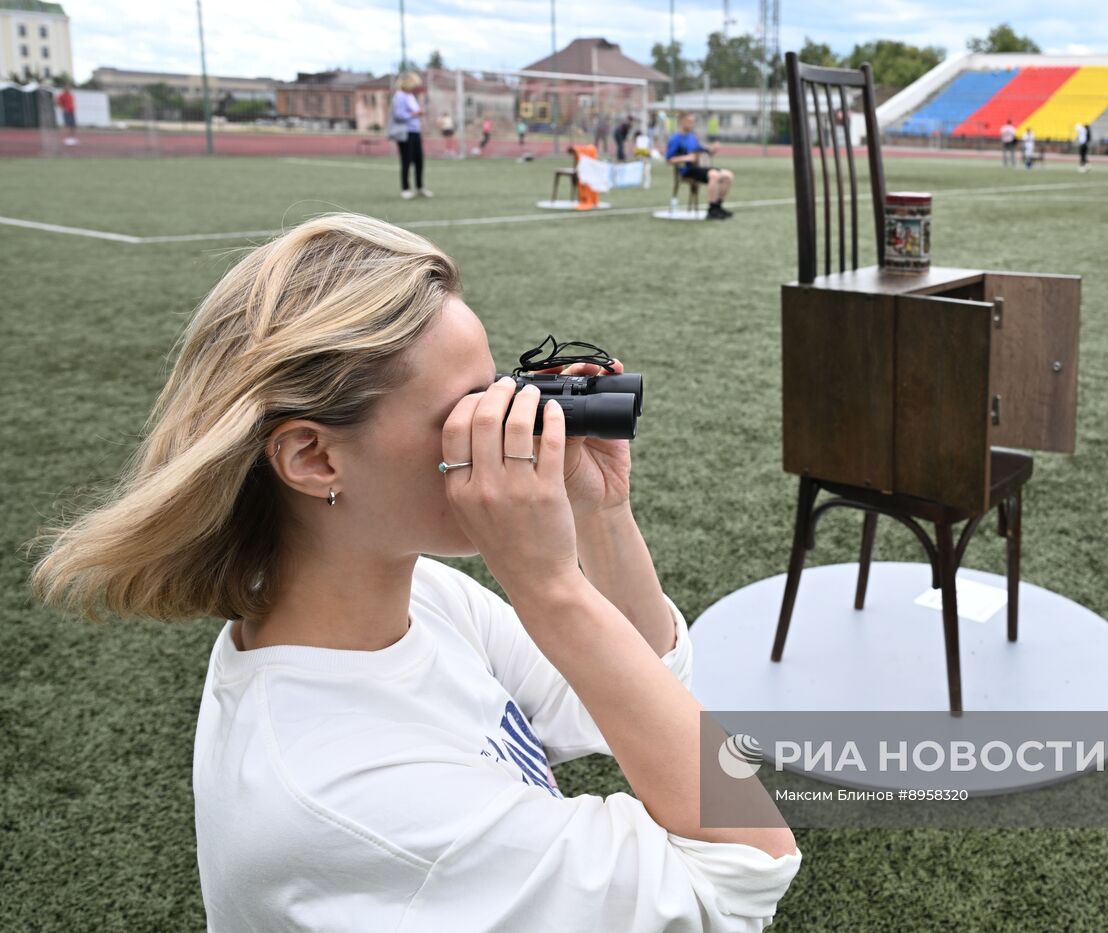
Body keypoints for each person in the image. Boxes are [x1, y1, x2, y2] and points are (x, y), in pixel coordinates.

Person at [28, 213, 802, 931]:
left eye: (501, 390)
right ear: (314, 457)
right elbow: (744, 866)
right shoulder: (337, 792)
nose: (507, 421)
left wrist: (600, 513)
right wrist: (551, 586)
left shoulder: (412, 594)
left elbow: (634, 690)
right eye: (465, 406)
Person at [666, 111, 734, 220]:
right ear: (681, 122)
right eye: (689, 121)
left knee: (728, 175)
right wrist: (686, 158)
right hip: (686, 170)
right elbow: (669, 160)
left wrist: (713, 149)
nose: (692, 124)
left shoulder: (692, 138)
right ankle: (711, 210)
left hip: (699, 168)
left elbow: (704, 150)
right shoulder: (675, 139)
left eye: (693, 122)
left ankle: (718, 206)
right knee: (714, 175)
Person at [391, 72, 432, 200]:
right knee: (406, 161)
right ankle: (405, 188)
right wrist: (415, 114)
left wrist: (418, 113)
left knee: (419, 160)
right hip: (405, 133)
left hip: (415, 132)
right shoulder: (400, 96)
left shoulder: (410, 96)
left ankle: (420, 187)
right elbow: (399, 115)